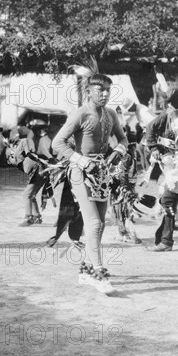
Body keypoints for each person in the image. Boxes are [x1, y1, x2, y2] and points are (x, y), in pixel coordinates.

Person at [52, 72, 128, 294]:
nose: (104, 94)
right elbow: (58, 143)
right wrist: (83, 161)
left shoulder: (111, 114)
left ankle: (85, 270)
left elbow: (123, 139)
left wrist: (117, 151)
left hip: (103, 174)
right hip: (80, 173)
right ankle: (98, 272)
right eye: (99, 90)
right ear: (88, 91)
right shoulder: (80, 114)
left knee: (100, 224)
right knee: (93, 224)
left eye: (107, 90)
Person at [145, 88, 178, 252]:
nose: (169, 111)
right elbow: (151, 127)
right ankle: (166, 240)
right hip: (173, 164)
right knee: (168, 201)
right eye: (168, 108)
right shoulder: (167, 115)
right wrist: (154, 148)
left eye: (172, 108)